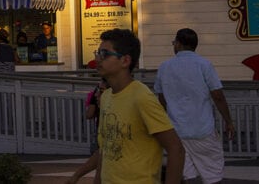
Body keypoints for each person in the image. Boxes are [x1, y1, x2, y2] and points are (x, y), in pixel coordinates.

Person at [66, 28, 184, 184]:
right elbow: (105, 149)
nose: (98, 59)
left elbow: (176, 148)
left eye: (105, 54)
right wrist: (80, 175)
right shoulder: (106, 97)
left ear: (125, 61)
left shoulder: (142, 97)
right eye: (97, 52)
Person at [154, 28, 236, 184]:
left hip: (176, 131)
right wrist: (229, 121)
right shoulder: (204, 65)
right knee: (212, 173)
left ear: (178, 44)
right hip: (202, 129)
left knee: (188, 174)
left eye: (174, 43)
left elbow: (162, 100)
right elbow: (217, 96)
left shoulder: (164, 67)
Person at [85, 77, 109, 154]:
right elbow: (89, 114)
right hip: (101, 132)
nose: (96, 94)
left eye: (101, 91)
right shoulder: (98, 97)